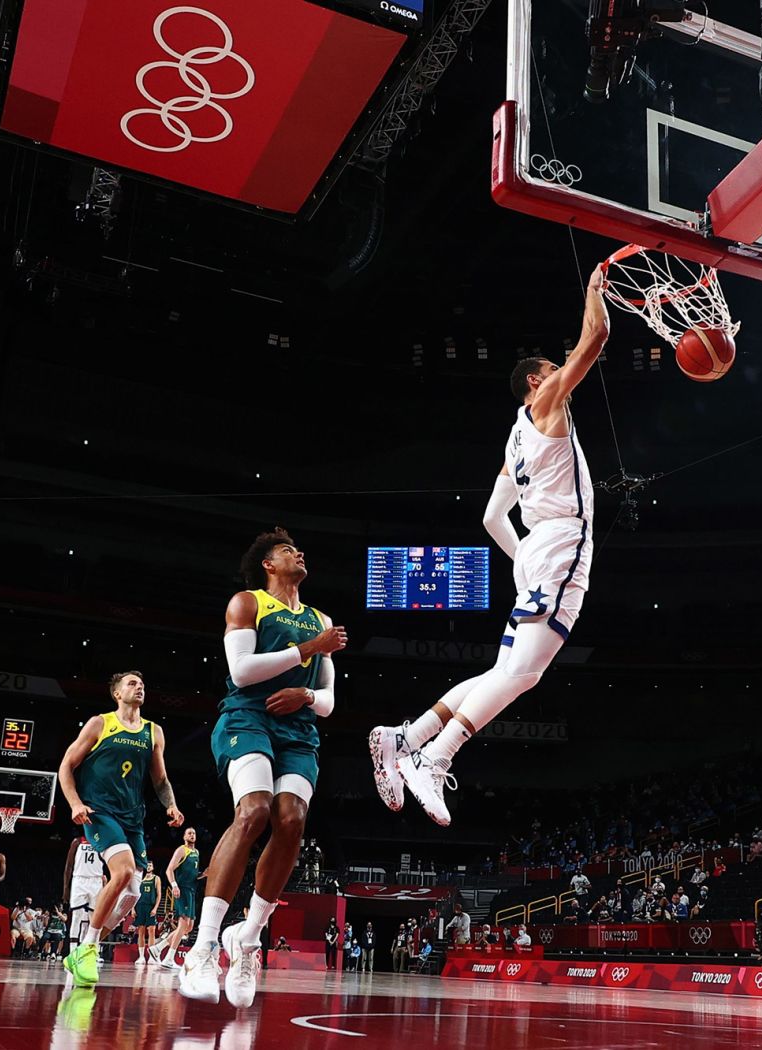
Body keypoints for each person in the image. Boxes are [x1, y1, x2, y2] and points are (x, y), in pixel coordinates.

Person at [369, 267, 610, 826]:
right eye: (552, 369)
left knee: (511, 670)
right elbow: (594, 341)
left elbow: (489, 516)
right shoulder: (547, 401)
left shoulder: (515, 434)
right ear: (535, 382)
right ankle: (434, 757)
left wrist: (524, 557)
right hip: (560, 541)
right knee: (524, 673)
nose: (559, 373)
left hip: (537, 551)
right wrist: (595, 291)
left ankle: (409, 735)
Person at [180, 529, 345, 1008]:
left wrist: (307, 694)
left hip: (299, 729)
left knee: (291, 819)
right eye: (287, 550)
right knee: (253, 812)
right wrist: (309, 649)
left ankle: (247, 938)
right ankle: (204, 946)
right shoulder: (247, 603)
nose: (299, 553)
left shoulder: (321, 619)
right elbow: (241, 671)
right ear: (269, 565)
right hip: (247, 717)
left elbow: (331, 701)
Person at [58, 670, 185, 987]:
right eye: (132, 683)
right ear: (117, 693)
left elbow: (160, 779)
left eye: (142, 683)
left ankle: (87, 945)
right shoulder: (100, 723)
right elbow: (66, 765)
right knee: (124, 872)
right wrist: (75, 803)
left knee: (130, 893)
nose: (139, 686)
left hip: (133, 818)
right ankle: (88, 947)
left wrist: (170, 804)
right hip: (99, 811)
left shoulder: (153, 731)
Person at [158, 828, 203, 970]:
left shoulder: (196, 852)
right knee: (183, 925)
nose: (192, 835)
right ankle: (169, 958)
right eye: (189, 833)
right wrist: (174, 885)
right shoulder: (181, 850)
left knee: (189, 928)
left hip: (192, 890)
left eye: (194, 833)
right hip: (182, 889)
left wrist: (204, 874)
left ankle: (158, 947)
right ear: (184, 837)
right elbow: (169, 869)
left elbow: (193, 874)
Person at [64, 835, 106, 953]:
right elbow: (69, 865)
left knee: (95, 919)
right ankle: (72, 952)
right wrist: (66, 888)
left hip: (96, 880)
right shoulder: (77, 841)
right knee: (76, 917)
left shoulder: (104, 841)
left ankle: (93, 951)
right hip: (79, 879)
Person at [133, 861, 163, 964]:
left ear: (153, 867)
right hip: (139, 906)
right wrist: (133, 908)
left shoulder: (156, 878)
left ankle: (151, 957)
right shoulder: (140, 878)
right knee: (140, 932)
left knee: (151, 931)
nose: (149, 866)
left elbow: (159, 895)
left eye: (151, 865)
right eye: (148, 865)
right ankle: (141, 957)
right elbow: (134, 893)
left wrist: (155, 908)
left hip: (150, 906)